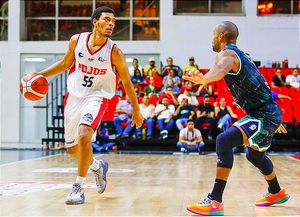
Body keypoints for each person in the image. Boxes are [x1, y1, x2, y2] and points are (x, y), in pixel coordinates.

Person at [36, 6, 143, 205]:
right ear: (95, 22)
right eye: (107, 20)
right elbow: (64, 63)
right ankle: (97, 166)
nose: (111, 24)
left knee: (85, 134)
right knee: (73, 150)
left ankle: (78, 186)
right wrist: (39, 75)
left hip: (98, 97)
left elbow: (127, 82)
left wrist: (136, 110)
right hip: (74, 96)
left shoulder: (115, 52)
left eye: (114, 21)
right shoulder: (77, 41)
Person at [183, 21, 289, 216]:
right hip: (267, 112)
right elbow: (260, 84)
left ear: (221, 36)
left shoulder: (227, 54)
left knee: (224, 140)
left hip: (263, 114)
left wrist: (204, 79)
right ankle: (276, 191)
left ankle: (214, 201)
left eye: (214, 34)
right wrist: (276, 115)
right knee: (253, 155)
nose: (212, 38)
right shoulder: (242, 55)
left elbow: (221, 69)